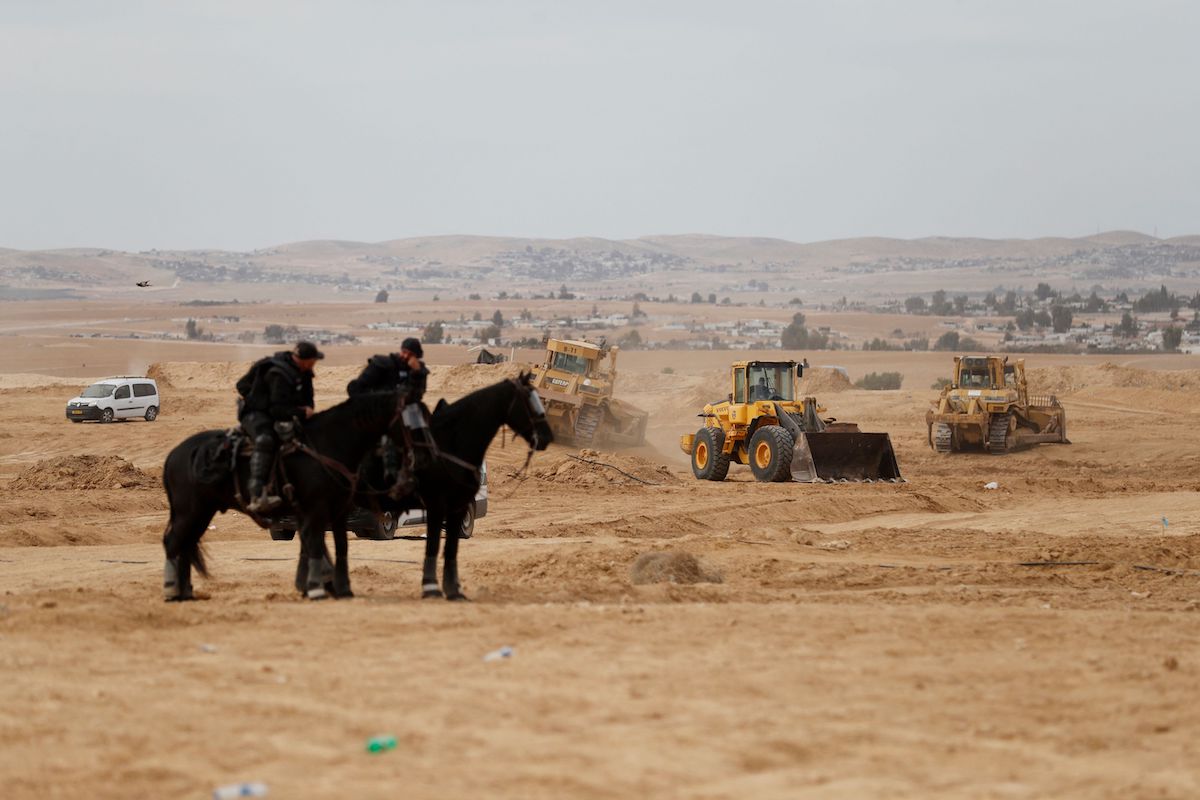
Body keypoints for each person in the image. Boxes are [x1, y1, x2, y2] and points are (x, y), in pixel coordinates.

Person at [236, 341, 323, 513]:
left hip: (282, 412)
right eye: (313, 360)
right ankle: (257, 492)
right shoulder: (278, 372)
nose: (314, 364)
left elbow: (307, 398)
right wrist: (259, 400)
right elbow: (276, 408)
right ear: (304, 360)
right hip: (257, 414)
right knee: (266, 440)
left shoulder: (303, 373)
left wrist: (305, 411)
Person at [346, 337, 432, 493]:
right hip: (381, 413)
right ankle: (390, 475)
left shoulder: (418, 371)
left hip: (407, 412)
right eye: (404, 352)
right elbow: (357, 389)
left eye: (410, 354)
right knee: (388, 437)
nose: (405, 356)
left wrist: (416, 373)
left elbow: (417, 395)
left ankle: (424, 470)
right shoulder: (383, 365)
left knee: (424, 434)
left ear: (416, 356)